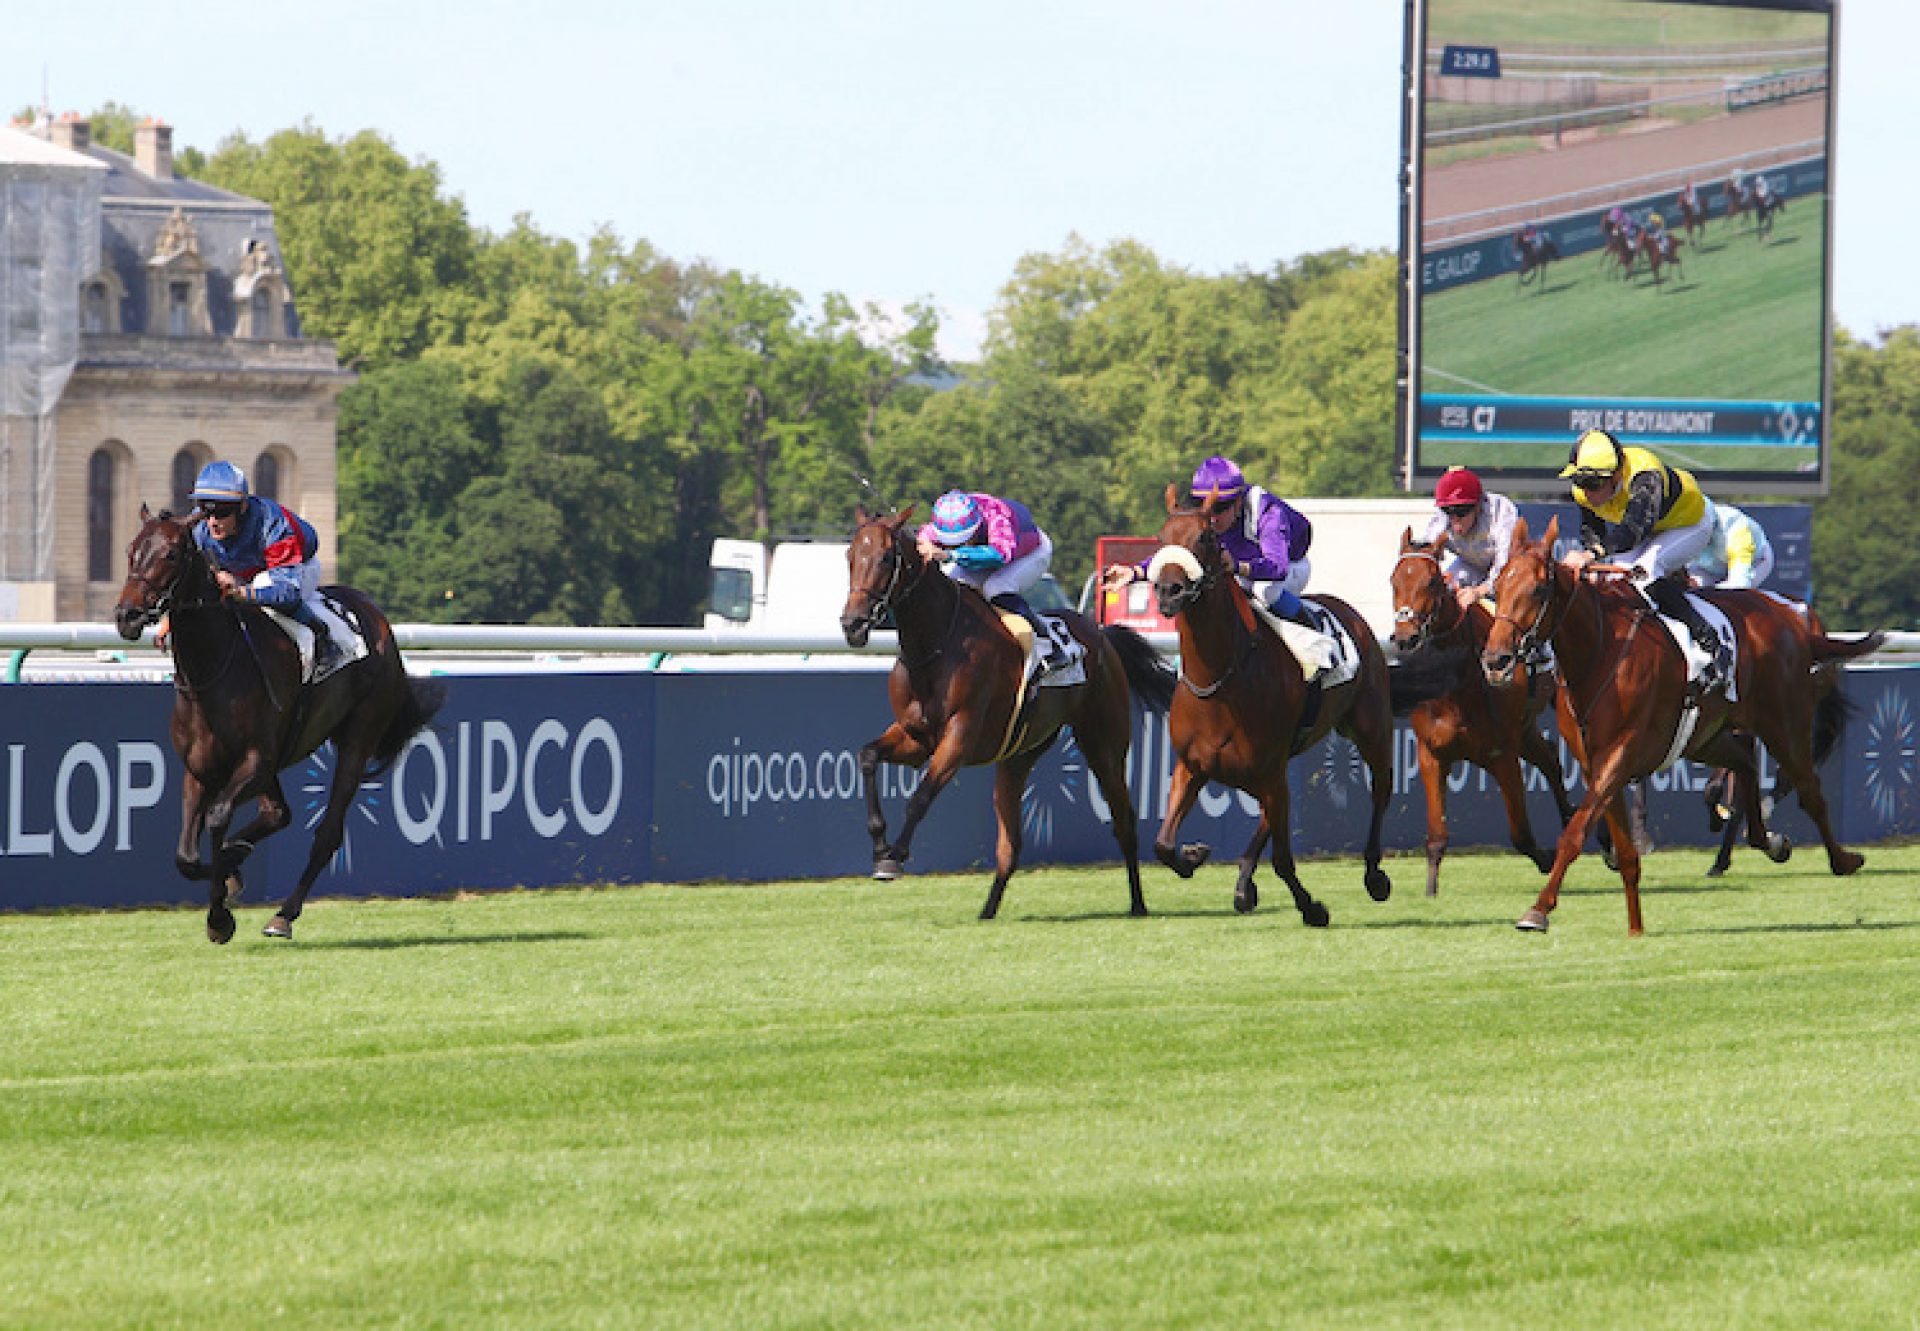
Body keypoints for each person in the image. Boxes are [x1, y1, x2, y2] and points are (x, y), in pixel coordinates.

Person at [1558, 429, 1730, 688]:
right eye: (1580, 482)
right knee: (1611, 579)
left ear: (1616, 476)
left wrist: (1590, 555)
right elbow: (1593, 532)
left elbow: (1632, 532)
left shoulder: (1645, 476)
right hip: (1649, 528)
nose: (1586, 491)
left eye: (1593, 484)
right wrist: (1592, 557)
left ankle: (1709, 641)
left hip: (1688, 523)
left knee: (1646, 572)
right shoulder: (1583, 491)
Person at [163, 460, 356, 671]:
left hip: (297, 569)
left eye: (222, 512)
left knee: (264, 583)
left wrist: (243, 593)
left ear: (242, 507)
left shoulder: (273, 524)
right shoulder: (201, 531)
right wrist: (169, 621)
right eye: (205, 511)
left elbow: (287, 592)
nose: (212, 522)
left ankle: (323, 636)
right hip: (246, 575)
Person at [1104, 455, 1322, 633]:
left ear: (1238, 502)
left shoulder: (1267, 513)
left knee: (1264, 591)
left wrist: (1238, 566)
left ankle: (1313, 631)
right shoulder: (1207, 523)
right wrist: (1134, 573)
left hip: (1289, 570)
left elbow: (1278, 568)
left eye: (1220, 507)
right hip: (1241, 570)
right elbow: (1181, 555)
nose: (1212, 516)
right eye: (1203, 504)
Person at [917, 489, 1064, 672]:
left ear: (977, 526)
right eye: (950, 543)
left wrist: (949, 553)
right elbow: (922, 539)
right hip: (988, 552)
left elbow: (1000, 555)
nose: (956, 546)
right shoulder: (945, 520)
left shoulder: (997, 517)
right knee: (950, 582)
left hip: (1027, 554)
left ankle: (1047, 641)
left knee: (996, 587)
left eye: (962, 541)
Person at [1420, 466, 1520, 610]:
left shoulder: (1500, 512)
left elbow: (1504, 565)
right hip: (1470, 564)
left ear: (1478, 506)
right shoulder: (1443, 517)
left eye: (1461, 512)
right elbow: (1426, 552)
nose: (1455, 520)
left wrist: (1479, 592)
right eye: (1448, 511)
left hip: (1510, 569)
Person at [1689, 501, 1775, 590]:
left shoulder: (1735, 526)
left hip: (1755, 562)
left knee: (1732, 595)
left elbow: (1740, 583)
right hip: (1706, 568)